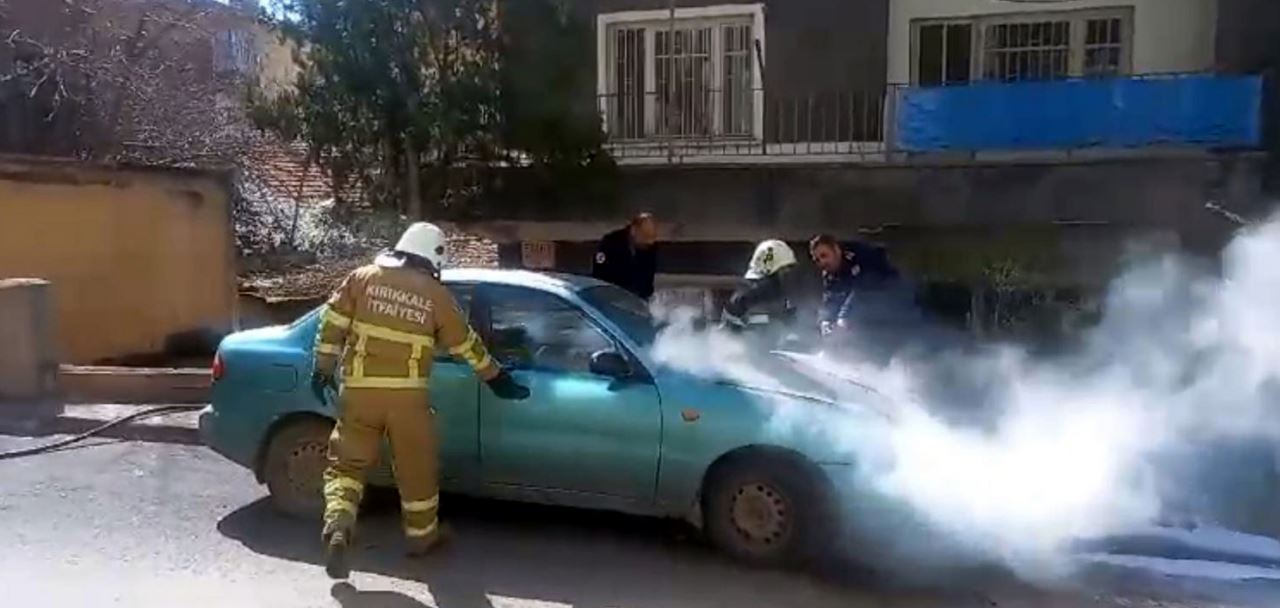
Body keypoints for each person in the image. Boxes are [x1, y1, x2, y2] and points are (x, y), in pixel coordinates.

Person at [312, 222, 530, 580]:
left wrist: (321, 368)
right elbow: (465, 344)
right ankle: (421, 538)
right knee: (416, 467)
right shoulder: (436, 295)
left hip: (359, 392)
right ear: (433, 257)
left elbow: (331, 323)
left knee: (347, 466)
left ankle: (338, 524)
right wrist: (496, 378)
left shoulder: (362, 277)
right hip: (406, 398)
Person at [809, 234, 916, 360]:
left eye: (824, 256)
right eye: (817, 260)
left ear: (836, 250)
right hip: (870, 309)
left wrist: (843, 317)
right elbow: (830, 299)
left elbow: (863, 289)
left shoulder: (860, 257)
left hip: (893, 300)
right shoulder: (829, 274)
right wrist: (825, 321)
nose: (822, 262)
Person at [721, 240, 806, 348]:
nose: (787, 273)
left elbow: (792, 326)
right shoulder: (744, 298)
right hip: (750, 359)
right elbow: (728, 337)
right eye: (784, 269)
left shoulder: (783, 298)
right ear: (772, 272)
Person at [592, 213, 659, 300]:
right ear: (634, 230)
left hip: (636, 297)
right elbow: (599, 271)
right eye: (645, 236)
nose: (649, 242)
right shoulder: (611, 242)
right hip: (610, 294)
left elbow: (648, 275)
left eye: (652, 237)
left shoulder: (649, 246)